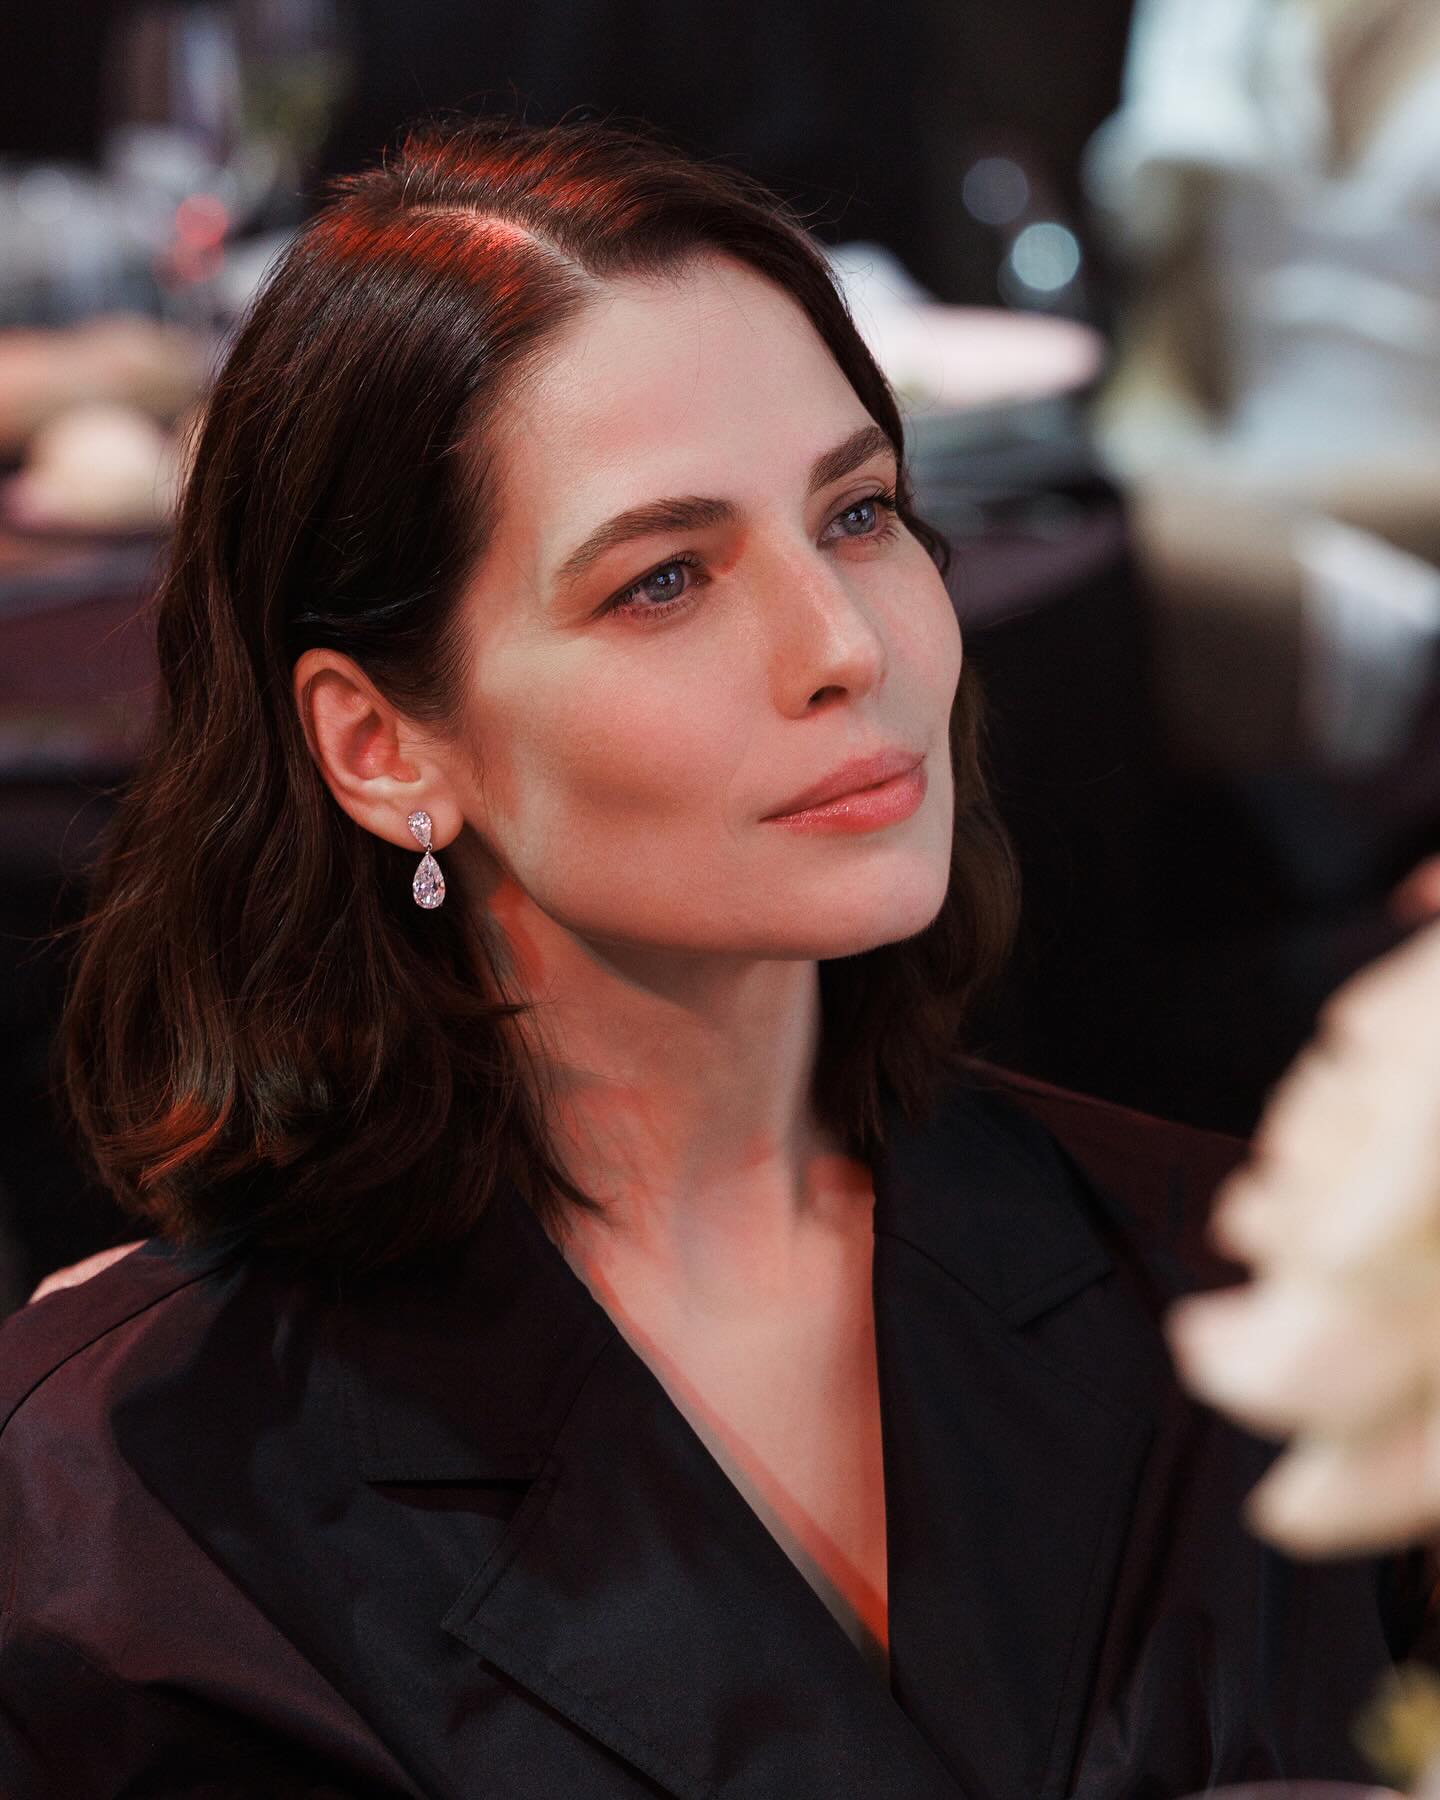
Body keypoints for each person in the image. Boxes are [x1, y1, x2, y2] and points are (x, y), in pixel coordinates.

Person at [0, 112, 1435, 1800]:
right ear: (383, 748)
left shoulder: (1272, 1292)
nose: (845, 645)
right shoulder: (146, 1510)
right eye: (666, 579)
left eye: (860, 513)